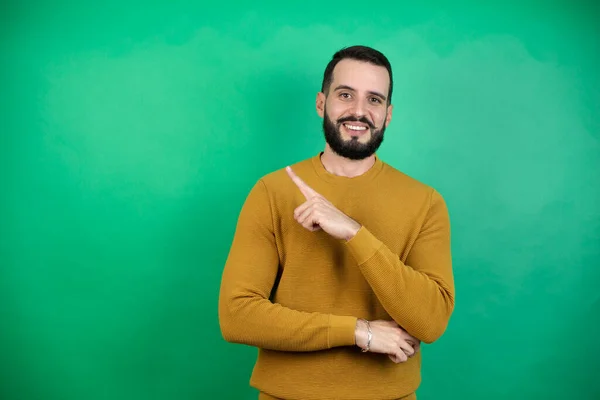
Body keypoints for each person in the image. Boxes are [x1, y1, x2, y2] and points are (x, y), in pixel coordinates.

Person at [218, 45, 455, 400]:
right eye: (346, 95)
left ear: (388, 115)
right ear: (320, 103)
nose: (359, 111)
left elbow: (431, 321)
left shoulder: (425, 202)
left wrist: (354, 232)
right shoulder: (272, 191)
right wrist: (359, 331)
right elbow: (237, 315)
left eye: (374, 100)